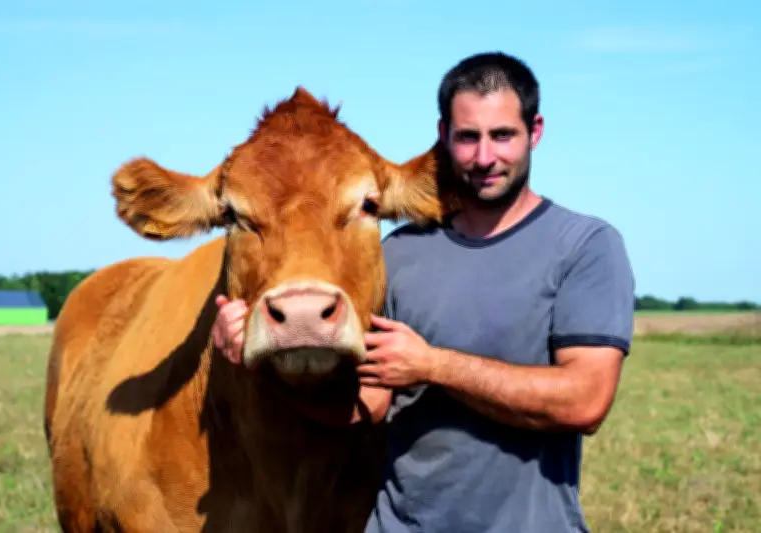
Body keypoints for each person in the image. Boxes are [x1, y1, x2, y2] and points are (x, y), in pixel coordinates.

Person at [212, 51, 635, 533]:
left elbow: (585, 402)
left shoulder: (584, 246)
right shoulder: (398, 257)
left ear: (534, 132)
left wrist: (433, 365)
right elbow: (369, 405)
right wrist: (257, 358)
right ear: (442, 137)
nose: (484, 157)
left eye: (502, 136)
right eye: (467, 137)